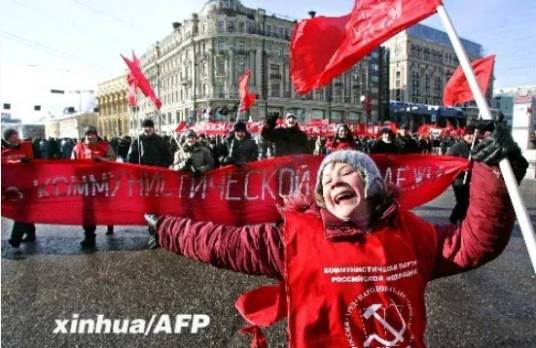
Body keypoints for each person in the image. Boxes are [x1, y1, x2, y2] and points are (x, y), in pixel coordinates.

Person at [144, 120, 527, 347]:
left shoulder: (412, 233)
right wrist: (167, 228)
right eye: (326, 180)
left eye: (344, 172)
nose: (332, 181)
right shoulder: (290, 239)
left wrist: (495, 173)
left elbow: (474, 243)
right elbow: (220, 243)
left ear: (372, 185)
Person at [71, 126, 116, 248]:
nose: (91, 137)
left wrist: (100, 159)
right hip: (86, 185)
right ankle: (89, 236)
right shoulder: (77, 148)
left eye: (93, 134)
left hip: (102, 183)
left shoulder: (105, 146)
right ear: (85, 137)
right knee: (88, 210)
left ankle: (109, 223)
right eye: (88, 135)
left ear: (97, 136)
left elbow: (113, 160)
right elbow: (72, 164)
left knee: (105, 206)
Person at [2, 129, 36, 248]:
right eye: (11, 137)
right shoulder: (4, 152)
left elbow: (39, 160)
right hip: (15, 186)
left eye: (16, 136)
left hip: (29, 184)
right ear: (7, 140)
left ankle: (15, 238)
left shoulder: (28, 146)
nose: (15, 138)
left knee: (22, 210)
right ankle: (31, 234)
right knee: (23, 210)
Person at [446, 127, 475, 224]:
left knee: (467, 202)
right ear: (464, 135)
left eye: (472, 134)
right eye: (469, 134)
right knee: (462, 202)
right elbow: (448, 161)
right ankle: (454, 219)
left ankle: (462, 221)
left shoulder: (474, 147)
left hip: (470, 179)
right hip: (459, 179)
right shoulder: (457, 147)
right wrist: (461, 167)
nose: (471, 136)